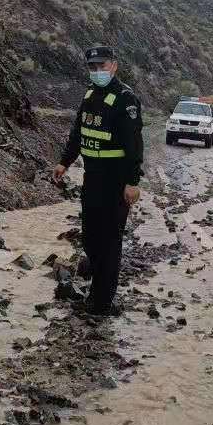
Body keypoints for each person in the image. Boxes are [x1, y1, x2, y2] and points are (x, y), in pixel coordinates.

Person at [53, 46, 144, 315]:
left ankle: (102, 301)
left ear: (114, 66)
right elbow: (78, 133)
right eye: (92, 67)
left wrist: (132, 181)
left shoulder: (125, 99)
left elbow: (134, 145)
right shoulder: (90, 95)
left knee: (109, 242)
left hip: (115, 182)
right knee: (91, 237)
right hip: (92, 178)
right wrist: (64, 161)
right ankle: (95, 286)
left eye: (101, 66)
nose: (97, 72)